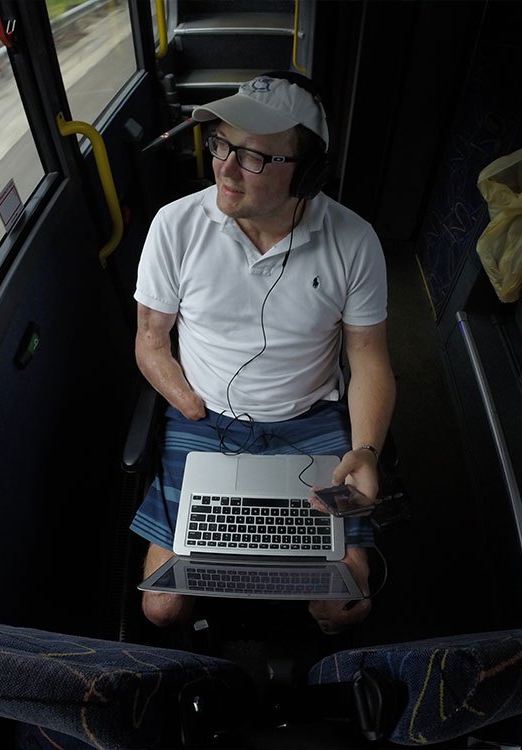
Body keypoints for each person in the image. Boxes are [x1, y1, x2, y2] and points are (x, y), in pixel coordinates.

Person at [129, 71, 396, 635]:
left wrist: (367, 449)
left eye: (252, 157)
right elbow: (150, 339)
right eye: (220, 145)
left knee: (347, 599)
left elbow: (370, 359)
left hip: (311, 419)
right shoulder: (174, 226)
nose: (225, 168)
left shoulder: (354, 241)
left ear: (308, 171)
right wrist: (189, 404)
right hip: (203, 421)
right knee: (163, 607)